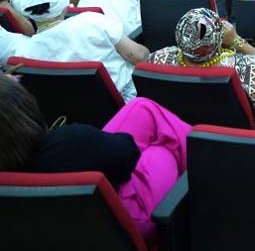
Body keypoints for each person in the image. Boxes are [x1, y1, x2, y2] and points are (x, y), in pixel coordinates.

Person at [0, 78, 190, 246]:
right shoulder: (69, 142)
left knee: (141, 107)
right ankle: (206, 164)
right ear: (24, 109)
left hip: (74, 224)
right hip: (130, 219)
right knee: (164, 145)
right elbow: (127, 154)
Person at [10, 0, 149, 101]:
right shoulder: (93, 21)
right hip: (125, 106)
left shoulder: (23, 54)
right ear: (65, 3)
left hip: (67, 118)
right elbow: (139, 56)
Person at [148, 8, 255, 109]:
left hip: (180, 134)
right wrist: (235, 40)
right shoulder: (244, 68)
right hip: (229, 137)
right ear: (218, 38)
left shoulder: (158, 60)